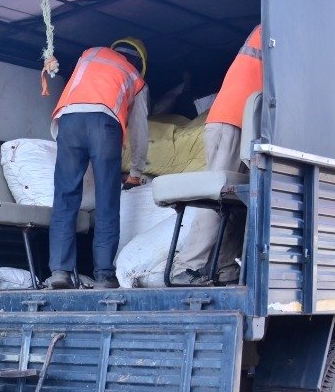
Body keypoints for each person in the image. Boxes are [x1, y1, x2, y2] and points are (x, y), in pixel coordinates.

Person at [45, 37, 150, 290]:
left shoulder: (90, 53)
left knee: (65, 198)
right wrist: (135, 171)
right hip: (104, 125)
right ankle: (103, 275)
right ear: (139, 62)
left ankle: (60, 271)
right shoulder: (136, 78)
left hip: (67, 122)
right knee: (106, 200)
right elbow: (140, 133)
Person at [172, 24, 262, 284]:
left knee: (236, 200)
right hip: (231, 121)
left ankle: (225, 267)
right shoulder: (275, 25)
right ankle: (187, 267)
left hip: (242, 123)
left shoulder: (268, 32)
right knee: (217, 197)